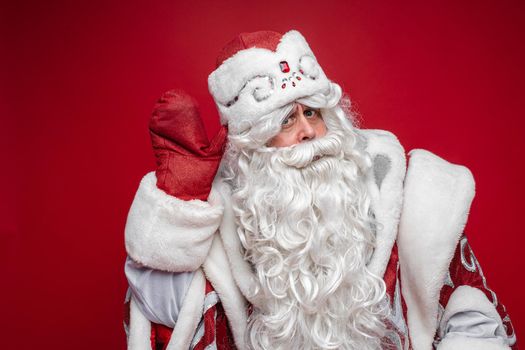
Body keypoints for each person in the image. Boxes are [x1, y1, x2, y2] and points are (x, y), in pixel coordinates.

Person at [123, 30, 516, 350]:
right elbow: (165, 314)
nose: (308, 131)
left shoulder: (410, 193)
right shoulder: (233, 222)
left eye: (311, 112)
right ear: (253, 148)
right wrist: (180, 199)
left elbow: (470, 311)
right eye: (285, 121)